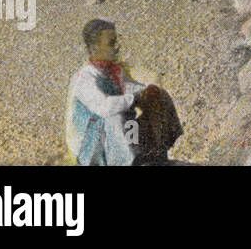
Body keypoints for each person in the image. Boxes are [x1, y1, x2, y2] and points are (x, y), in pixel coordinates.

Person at [65, 19, 182, 165]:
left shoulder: (113, 70)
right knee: (116, 116)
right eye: (111, 43)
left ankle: (157, 152)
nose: (117, 47)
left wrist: (148, 92)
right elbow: (104, 107)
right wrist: (135, 98)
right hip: (92, 150)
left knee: (158, 97)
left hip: (116, 138)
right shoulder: (84, 78)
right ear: (94, 48)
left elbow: (129, 87)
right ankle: (129, 161)